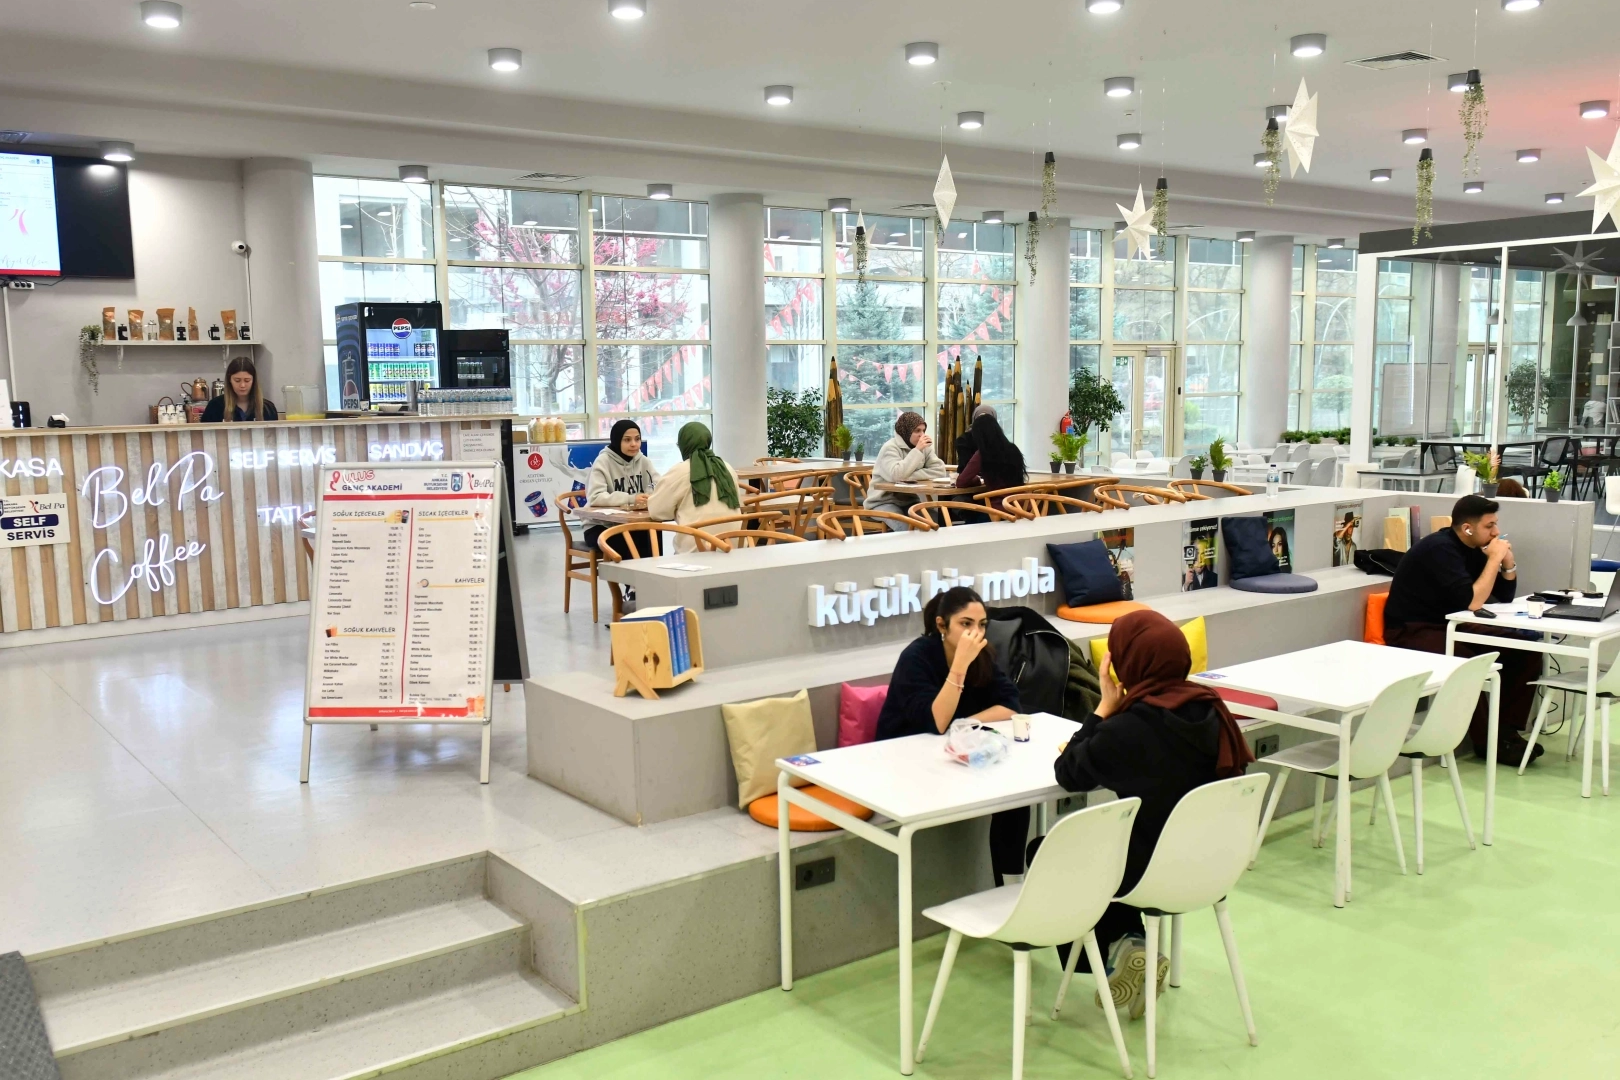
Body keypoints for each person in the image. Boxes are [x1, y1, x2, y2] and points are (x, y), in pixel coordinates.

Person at [1039, 609, 1254, 1017]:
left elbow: (1068, 773)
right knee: (1120, 847)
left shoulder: (1128, 728)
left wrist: (1103, 707)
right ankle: (1131, 946)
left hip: (1152, 873)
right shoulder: (1213, 709)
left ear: (1127, 663)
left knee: (1049, 850)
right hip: (1214, 865)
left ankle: (1120, 951)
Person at [877, 587, 1027, 885]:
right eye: (965, 624)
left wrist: (966, 723)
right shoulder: (916, 657)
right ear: (942, 625)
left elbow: (1011, 705)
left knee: (1017, 796)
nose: (976, 633)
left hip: (951, 758)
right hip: (904, 761)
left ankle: (1011, 887)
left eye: (982, 625)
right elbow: (937, 721)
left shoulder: (982, 656)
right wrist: (959, 667)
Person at [1383, 494, 1544, 762]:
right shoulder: (1440, 549)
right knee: (1469, 665)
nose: (1496, 532)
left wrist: (1507, 562)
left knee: (1524, 649)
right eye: (1489, 526)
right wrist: (1493, 560)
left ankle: (1506, 731)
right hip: (1412, 629)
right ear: (1468, 528)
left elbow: (1503, 596)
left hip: (1450, 624)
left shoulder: (1474, 547)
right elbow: (1472, 601)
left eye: (1496, 524)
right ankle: (1487, 742)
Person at [647, 421, 742, 553]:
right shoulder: (727, 468)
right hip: (734, 550)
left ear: (683, 445)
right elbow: (738, 504)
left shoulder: (679, 471)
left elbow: (656, 512)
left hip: (695, 553)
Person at [584, 419, 660, 563]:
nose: (634, 444)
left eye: (637, 439)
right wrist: (631, 498)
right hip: (600, 526)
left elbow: (659, 485)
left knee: (654, 533)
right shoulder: (603, 461)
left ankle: (651, 574)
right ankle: (629, 578)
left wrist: (651, 495)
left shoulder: (643, 461)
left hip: (630, 523)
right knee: (628, 541)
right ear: (617, 440)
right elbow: (595, 497)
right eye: (627, 440)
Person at [864, 411, 948, 515]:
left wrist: (907, 477)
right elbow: (896, 475)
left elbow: (940, 471)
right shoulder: (890, 447)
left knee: (934, 519)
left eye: (923, 430)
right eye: (917, 431)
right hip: (882, 501)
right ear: (906, 431)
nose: (922, 435)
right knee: (904, 523)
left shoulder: (924, 447)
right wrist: (917, 450)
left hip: (909, 500)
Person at [955, 412, 1026, 510]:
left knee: (957, 503)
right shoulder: (1013, 449)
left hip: (999, 510)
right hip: (1023, 507)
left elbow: (961, 482)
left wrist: (976, 480)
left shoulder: (983, 454)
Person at [201, 357, 278, 422]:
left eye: (247, 380)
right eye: (237, 380)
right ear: (229, 380)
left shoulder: (268, 408)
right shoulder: (215, 406)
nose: (242, 385)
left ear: (254, 381)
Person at [954, 403, 999, 469]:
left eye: (987, 420)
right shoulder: (963, 441)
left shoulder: (999, 441)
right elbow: (964, 466)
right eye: (980, 419)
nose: (983, 423)